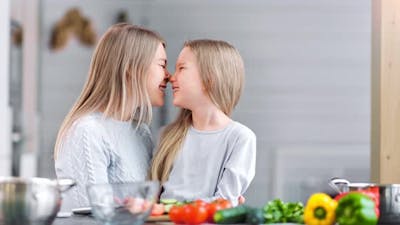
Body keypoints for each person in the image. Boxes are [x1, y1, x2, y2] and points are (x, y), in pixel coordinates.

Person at [54, 23, 169, 211]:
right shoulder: (87, 132)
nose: (168, 76)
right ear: (132, 68)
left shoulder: (141, 132)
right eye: (162, 65)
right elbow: (93, 216)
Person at [150, 39, 256, 206]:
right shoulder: (166, 135)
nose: (172, 77)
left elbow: (224, 201)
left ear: (210, 78)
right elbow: (151, 198)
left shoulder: (240, 138)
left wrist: (174, 211)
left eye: (181, 68)